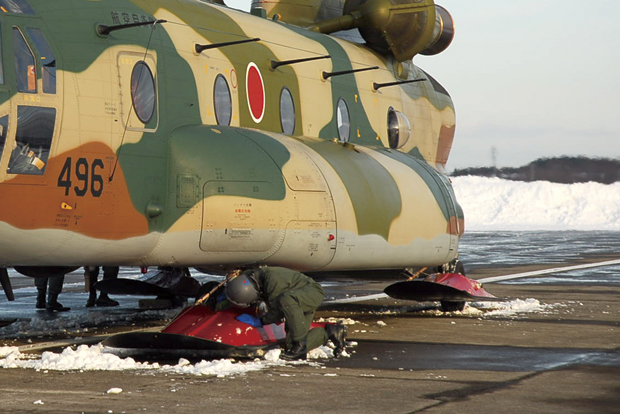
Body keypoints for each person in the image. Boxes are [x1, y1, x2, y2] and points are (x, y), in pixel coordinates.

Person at [225, 266, 347, 360]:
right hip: (295, 298)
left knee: (285, 300)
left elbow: (277, 311)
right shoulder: (250, 278)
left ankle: (300, 344)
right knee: (290, 345)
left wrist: (261, 321)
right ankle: (330, 332)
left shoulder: (272, 282)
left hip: (311, 293)